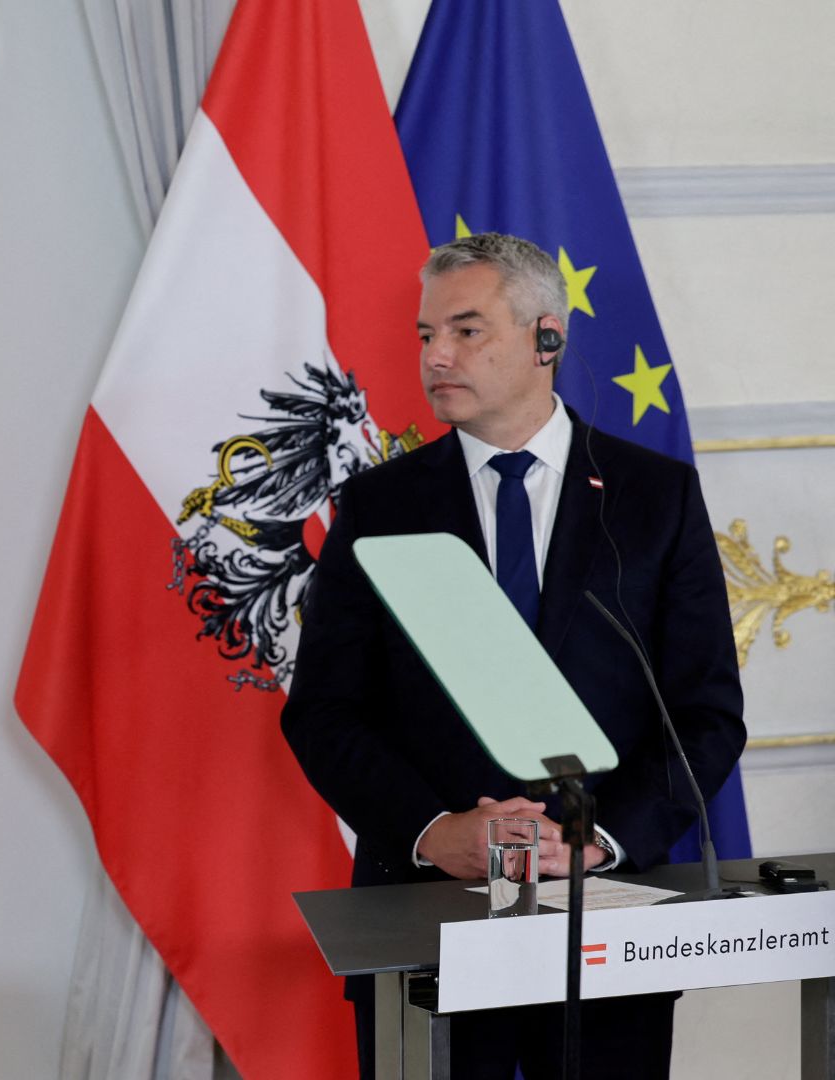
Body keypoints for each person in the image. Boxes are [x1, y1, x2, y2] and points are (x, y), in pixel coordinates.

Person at [280, 233, 744, 1079]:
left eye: (466, 330)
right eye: (426, 336)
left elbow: (705, 717)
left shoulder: (653, 496)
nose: (436, 357)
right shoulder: (381, 504)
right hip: (426, 923)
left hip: (606, 931)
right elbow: (323, 711)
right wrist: (435, 831)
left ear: (546, 339)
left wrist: (597, 838)